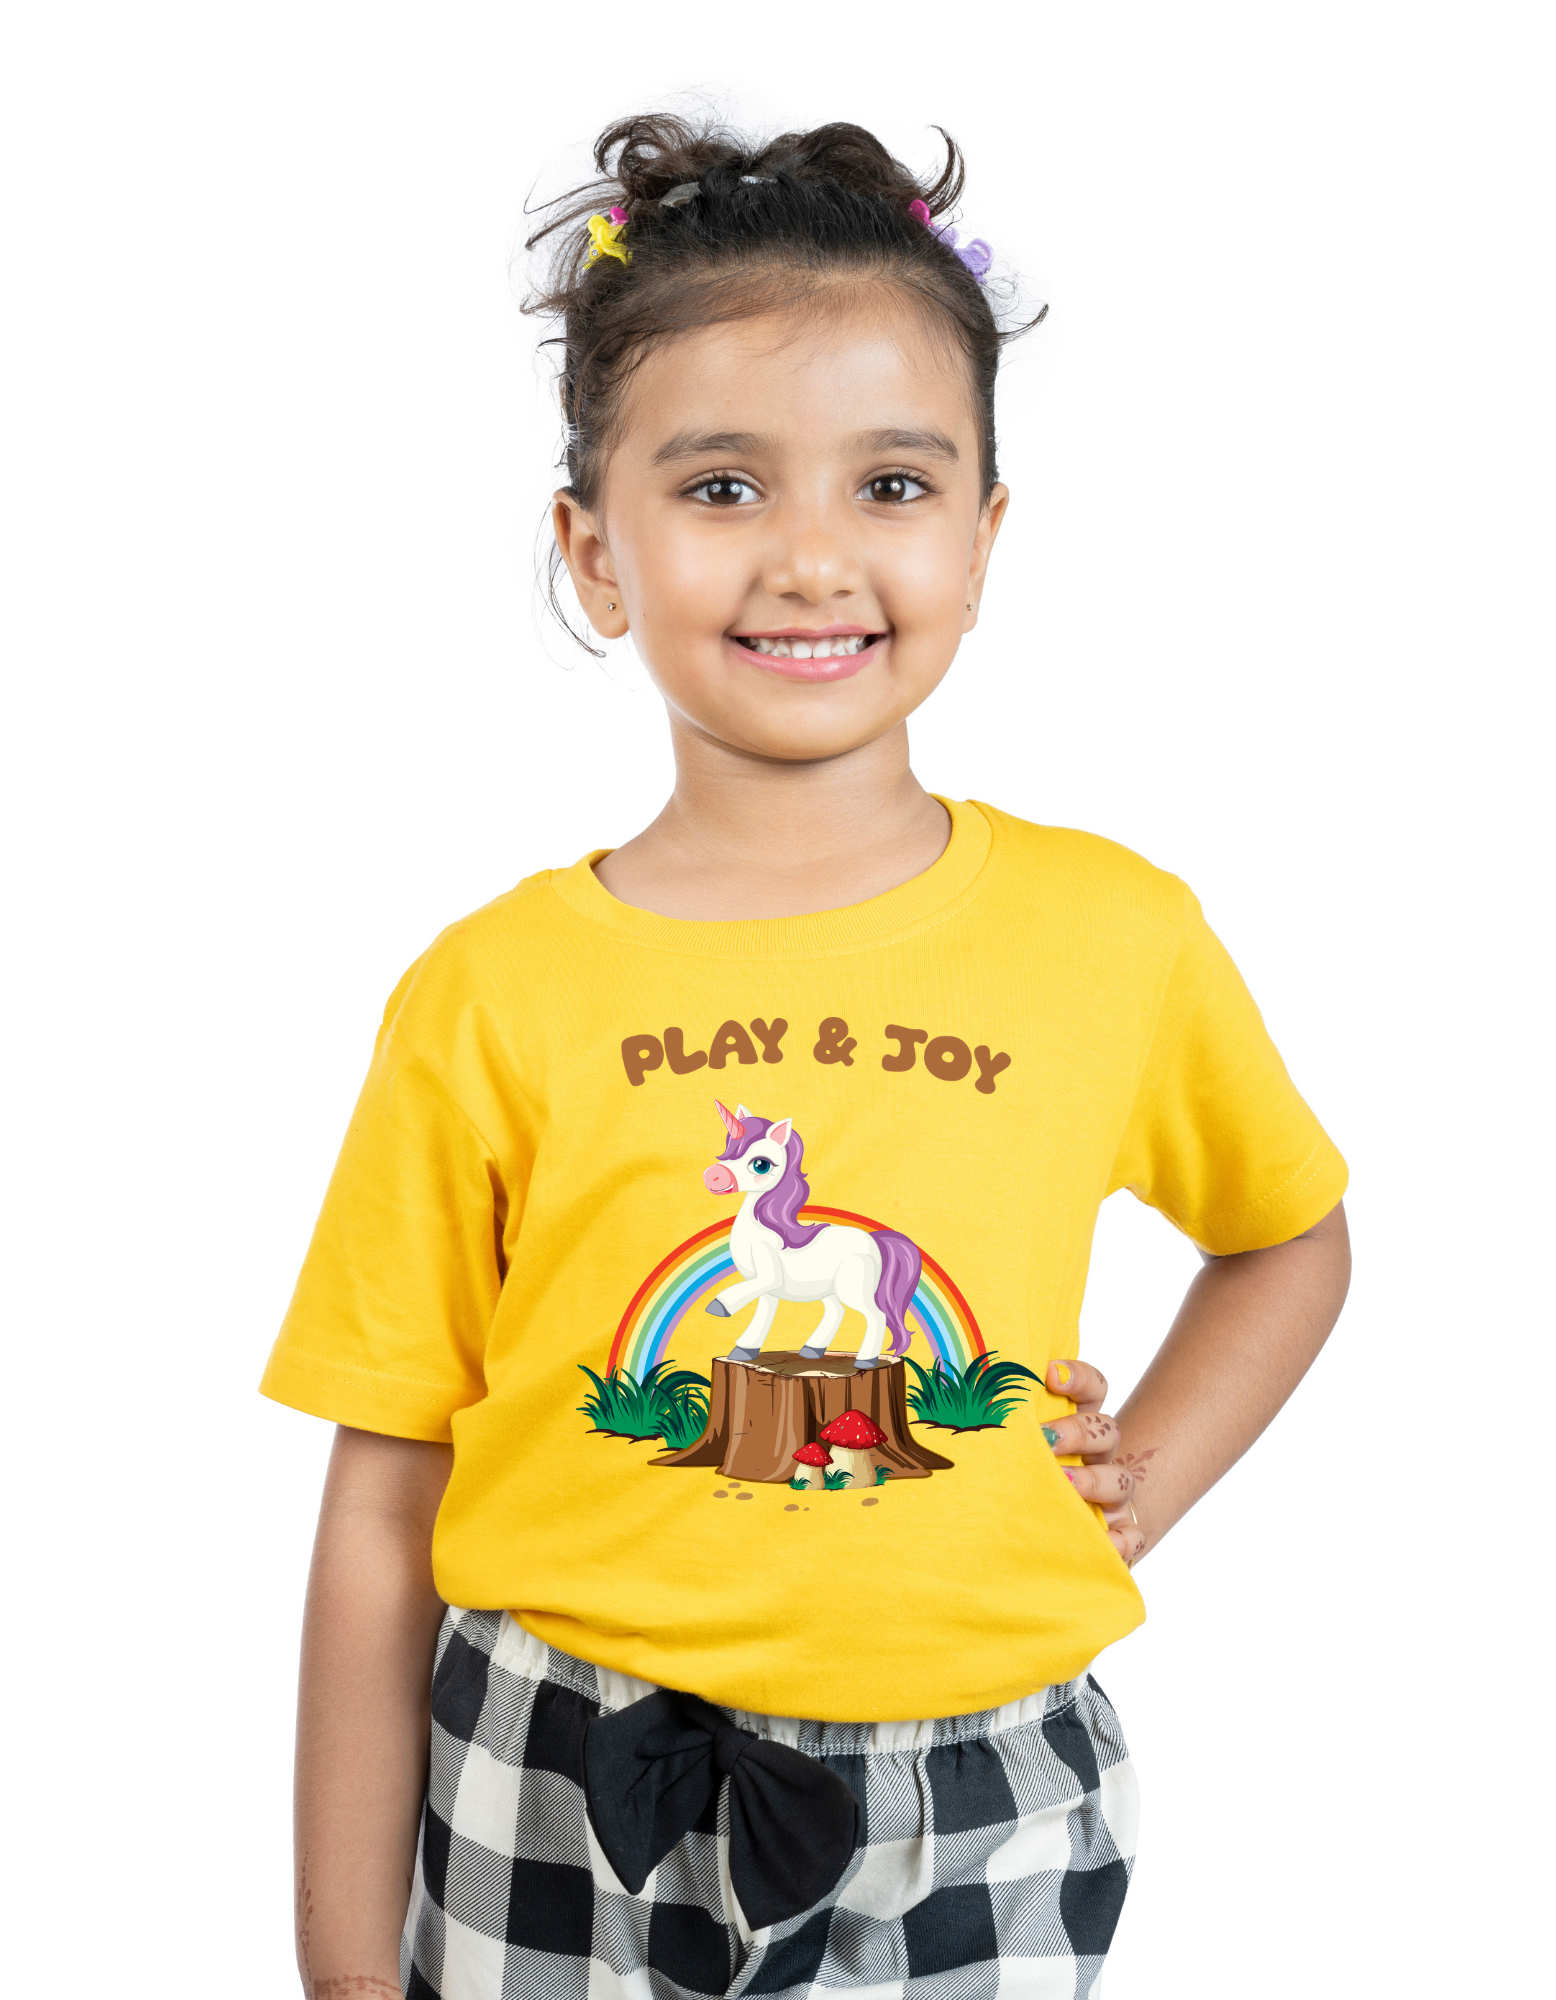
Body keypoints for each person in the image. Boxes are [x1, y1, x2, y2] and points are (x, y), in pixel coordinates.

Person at [264, 114, 1351, 2000]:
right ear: (595, 554)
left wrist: (1145, 1480)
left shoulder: (1117, 936)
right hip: (556, 1769)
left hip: (984, 1795)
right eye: (722, 487)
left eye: (894, 484)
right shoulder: (490, 993)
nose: (813, 556)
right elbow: (381, 1500)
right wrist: (348, 1973)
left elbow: (1288, 1236)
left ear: (983, 541)